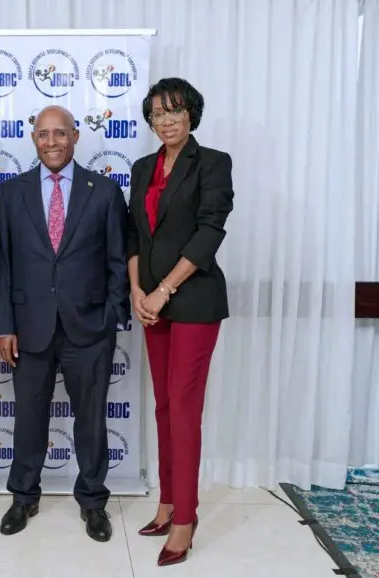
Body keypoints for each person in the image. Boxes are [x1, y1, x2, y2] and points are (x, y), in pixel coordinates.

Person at [0, 105, 129, 543]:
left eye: (60, 133)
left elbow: (117, 263)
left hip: (89, 327)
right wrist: (4, 325)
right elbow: (4, 266)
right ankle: (23, 496)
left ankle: (92, 501)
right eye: (43, 134)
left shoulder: (104, 191)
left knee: (91, 419)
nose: (52, 142)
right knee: (29, 417)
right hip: (29, 327)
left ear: (74, 137)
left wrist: (110, 316)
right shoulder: (9, 194)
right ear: (33, 139)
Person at [126, 77, 234, 567]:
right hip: (151, 302)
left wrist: (165, 288)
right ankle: (167, 502)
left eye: (175, 111)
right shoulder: (142, 166)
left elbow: (211, 230)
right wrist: (138, 293)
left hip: (193, 299)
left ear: (192, 113)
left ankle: (186, 519)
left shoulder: (212, 162)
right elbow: (134, 236)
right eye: (157, 113)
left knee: (185, 409)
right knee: (164, 408)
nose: (165, 120)